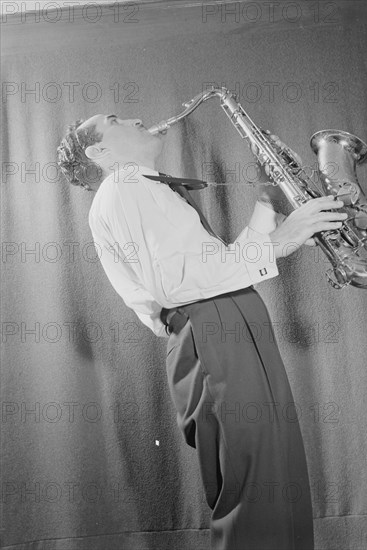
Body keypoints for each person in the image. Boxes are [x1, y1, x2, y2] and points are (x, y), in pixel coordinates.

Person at [57, 113, 347, 550]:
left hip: (221, 322)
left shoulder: (142, 188)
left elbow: (206, 271)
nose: (136, 118)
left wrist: (266, 213)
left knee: (271, 480)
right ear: (99, 152)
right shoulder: (124, 185)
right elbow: (177, 285)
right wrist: (282, 240)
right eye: (115, 120)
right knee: (257, 494)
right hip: (211, 329)